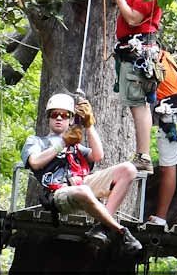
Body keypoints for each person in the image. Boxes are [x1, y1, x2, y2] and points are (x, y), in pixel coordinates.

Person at [21, 93, 142, 253]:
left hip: (82, 183)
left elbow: (98, 156)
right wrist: (63, 142)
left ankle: (102, 227)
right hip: (58, 192)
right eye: (54, 114)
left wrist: (89, 124)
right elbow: (35, 163)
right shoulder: (36, 141)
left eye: (64, 115)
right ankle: (120, 231)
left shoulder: (76, 146)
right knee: (83, 190)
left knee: (129, 169)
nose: (59, 118)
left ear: (70, 119)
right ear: (48, 118)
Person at [108, 0, 163, 175]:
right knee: (136, 103)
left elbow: (132, 19)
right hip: (133, 49)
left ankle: (143, 155)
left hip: (138, 49)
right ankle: (142, 154)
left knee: (138, 104)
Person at [147, 49, 177, 227]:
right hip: (175, 110)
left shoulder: (150, 56)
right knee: (167, 164)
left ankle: (161, 217)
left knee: (168, 166)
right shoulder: (163, 55)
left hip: (171, 112)